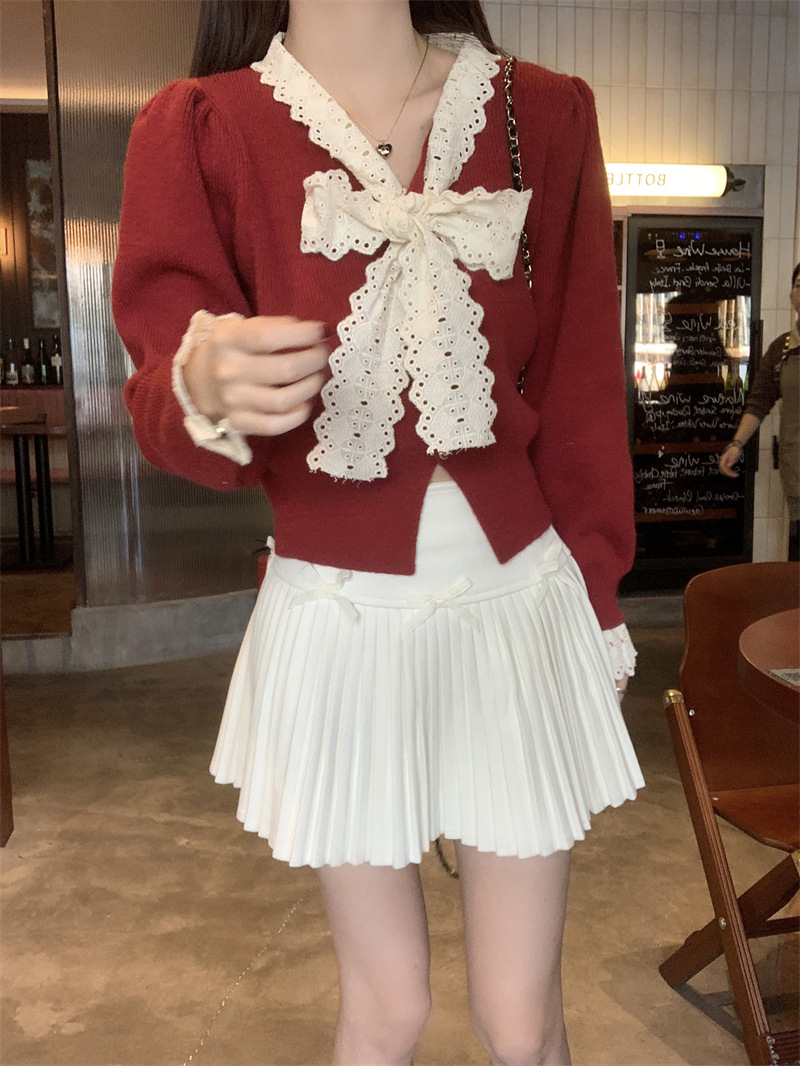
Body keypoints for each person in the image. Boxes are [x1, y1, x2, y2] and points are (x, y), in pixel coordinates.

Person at [112, 3, 643, 1063]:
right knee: (387, 1005)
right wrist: (200, 387)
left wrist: (597, 600)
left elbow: (582, 385)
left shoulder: (542, 113)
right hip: (339, 615)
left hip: (519, 603)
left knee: (519, 1013)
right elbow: (162, 388)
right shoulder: (200, 127)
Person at [719, 264, 800, 561]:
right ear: (791, 295)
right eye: (799, 285)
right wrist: (736, 444)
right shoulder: (782, 349)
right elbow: (759, 401)